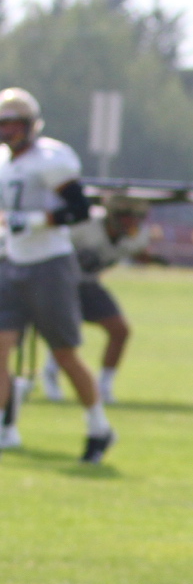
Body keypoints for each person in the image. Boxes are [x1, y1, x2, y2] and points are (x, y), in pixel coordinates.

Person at [0, 88, 115, 462]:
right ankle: (5, 428)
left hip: (49, 264)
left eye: (15, 124)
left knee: (64, 354)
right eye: (4, 124)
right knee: (0, 347)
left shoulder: (50, 157)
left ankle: (98, 426)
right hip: (11, 261)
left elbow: (80, 208)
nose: (9, 131)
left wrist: (34, 220)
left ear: (31, 125)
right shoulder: (3, 162)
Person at [41, 196, 147, 406]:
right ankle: (50, 373)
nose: (132, 222)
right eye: (127, 216)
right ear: (113, 216)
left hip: (89, 284)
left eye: (137, 217)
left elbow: (138, 253)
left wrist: (154, 258)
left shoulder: (138, 236)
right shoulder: (84, 228)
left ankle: (104, 385)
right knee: (66, 332)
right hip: (63, 283)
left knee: (120, 331)